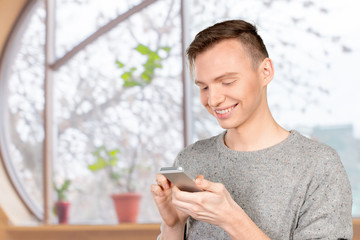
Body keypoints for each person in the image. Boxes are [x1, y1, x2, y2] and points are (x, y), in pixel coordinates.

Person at [151, 19, 353, 239]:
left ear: (265, 71)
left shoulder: (319, 166)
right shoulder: (191, 159)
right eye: (204, 87)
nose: (214, 99)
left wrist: (232, 219)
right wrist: (172, 226)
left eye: (227, 82)